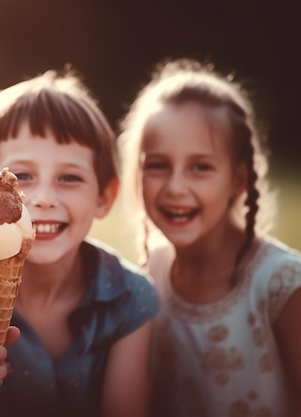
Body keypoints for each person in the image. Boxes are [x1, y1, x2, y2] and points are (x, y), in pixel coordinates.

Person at [0, 69, 160, 417]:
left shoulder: (129, 296)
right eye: (21, 176)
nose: (44, 198)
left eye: (69, 177)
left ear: (105, 197)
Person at [117, 58, 301, 417]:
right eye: (157, 165)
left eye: (200, 167)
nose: (175, 188)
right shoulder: (148, 274)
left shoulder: (281, 286)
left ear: (238, 179)